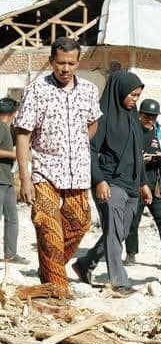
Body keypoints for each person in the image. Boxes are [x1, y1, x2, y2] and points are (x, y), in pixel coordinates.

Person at [13, 37, 101, 295]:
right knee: (48, 226)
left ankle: (49, 268)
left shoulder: (88, 90)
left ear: (78, 62)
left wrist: (78, 142)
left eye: (70, 63)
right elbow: (23, 134)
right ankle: (57, 293)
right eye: (60, 63)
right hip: (44, 172)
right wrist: (26, 178)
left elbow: (93, 122)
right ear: (51, 61)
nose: (65, 69)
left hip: (78, 174)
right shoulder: (36, 90)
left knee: (80, 223)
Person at [75, 72, 152, 295]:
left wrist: (143, 183)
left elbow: (138, 153)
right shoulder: (103, 117)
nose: (135, 99)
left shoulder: (132, 116)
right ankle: (119, 282)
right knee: (114, 231)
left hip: (132, 185)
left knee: (120, 232)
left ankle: (84, 264)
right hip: (110, 183)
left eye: (138, 95)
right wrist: (98, 180)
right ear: (119, 91)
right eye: (133, 95)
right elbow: (90, 149)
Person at [124, 98, 161, 268]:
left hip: (157, 187)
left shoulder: (160, 135)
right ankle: (131, 254)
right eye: (147, 116)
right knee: (133, 221)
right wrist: (139, 159)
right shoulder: (131, 132)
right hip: (135, 185)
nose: (150, 120)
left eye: (153, 117)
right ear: (140, 115)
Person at [0, 98, 25, 263]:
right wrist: (15, 155)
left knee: (12, 219)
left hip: (7, 180)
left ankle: (10, 254)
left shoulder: (7, 129)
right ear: (12, 113)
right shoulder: (1, 128)